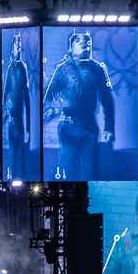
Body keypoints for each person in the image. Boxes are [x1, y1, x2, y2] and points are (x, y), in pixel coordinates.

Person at [43, 31, 115, 181]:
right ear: (70, 48)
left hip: (89, 128)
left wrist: (109, 127)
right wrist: (51, 108)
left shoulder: (97, 69)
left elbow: (106, 99)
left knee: (91, 173)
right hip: (67, 128)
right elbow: (48, 95)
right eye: (78, 40)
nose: (83, 42)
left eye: (86, 41)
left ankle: (90, 195)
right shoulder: (62, 69)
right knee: (69, 173)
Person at [2, 32, 32, 181]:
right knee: (12, 154)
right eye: (17, 45)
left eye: (20, 46)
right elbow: (6, 92)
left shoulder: (22, 68)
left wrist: (28, 128)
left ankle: (19, 179)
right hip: (11, 120)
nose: (19, 48)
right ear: (12, 48)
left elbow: (26, 98)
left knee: (19, 155)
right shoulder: (10, 69)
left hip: (19, 120)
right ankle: (11, 178)